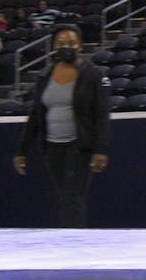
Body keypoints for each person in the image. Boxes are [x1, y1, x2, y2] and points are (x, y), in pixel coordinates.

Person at [14, 25, 110, 228]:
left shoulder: (93, 75)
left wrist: (100, 149)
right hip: (52, 146)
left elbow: (102, 114)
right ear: (54, 47)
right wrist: (22, 151)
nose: (66, 47)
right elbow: (36, 115)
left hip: (79, 145)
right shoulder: (45, 75)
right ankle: (70, 234)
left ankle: (72, 238)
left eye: (71, 43)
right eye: (61, 43)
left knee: (73, 195)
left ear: (80, 46)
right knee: (64, 194)